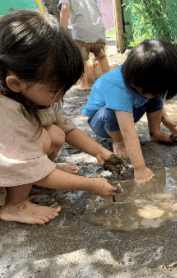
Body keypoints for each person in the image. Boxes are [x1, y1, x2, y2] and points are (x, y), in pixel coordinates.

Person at [0, 10, 120, 225]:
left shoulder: (29, 89)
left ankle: (35, 179)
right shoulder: (6, 110)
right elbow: (23, 162)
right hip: (12, 162)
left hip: (17, 161)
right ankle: (14, 205)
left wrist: (99, 151)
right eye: (57, 90)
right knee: (44, 138)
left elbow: (65, 127)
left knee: (54, 133)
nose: (61, 96)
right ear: (16, 83)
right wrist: (90, 184)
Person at [82, 38, 177, 183]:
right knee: (111, 112)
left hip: (126, 111)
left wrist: (163, 117)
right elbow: (129, 131)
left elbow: (153, 98)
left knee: (154, 98)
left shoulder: (140, 75)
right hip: (101, 121)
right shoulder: (118, 88)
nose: (157, 94)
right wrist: (140, 168)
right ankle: (117, 140)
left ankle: (156, 133)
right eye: (156, 90)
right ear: (141, 85)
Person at [58, 0, 110, 91]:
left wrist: (62, 30)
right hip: (98, 29)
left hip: (81, 31)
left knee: (82, 59)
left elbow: (65, 8)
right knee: (102, 57)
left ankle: (84, 84)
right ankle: (111, 82)